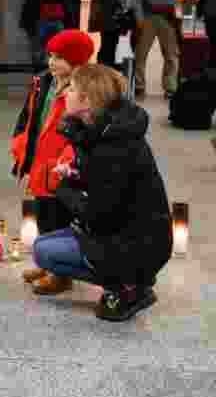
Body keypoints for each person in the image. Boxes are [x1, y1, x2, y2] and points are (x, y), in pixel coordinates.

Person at [31, 64, 172, 321]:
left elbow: (99, 214)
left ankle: (129, 285)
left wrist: (63, 188)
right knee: (43, 245)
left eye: (71, 88)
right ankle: (127, 278)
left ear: (87, 101)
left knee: (44, 251)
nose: (65, 92)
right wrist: (75, 174)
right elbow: (103, 187)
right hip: (125, 233)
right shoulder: (102, 132)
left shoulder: (114, 147)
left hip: (137, 244)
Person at [11, 29, 94, 295]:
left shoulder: (83, 92)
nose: (51, 62)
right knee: (43, 215)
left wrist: (71, 160)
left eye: (59, 57)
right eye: (51, 55)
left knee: (60, 219)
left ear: (77, 62)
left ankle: (61, 273)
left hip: (61, 167)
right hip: (39, 162)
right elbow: (29, 117)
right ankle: (47, 264)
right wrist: (20, 143)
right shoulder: (43, 82)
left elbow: (84, 132)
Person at [129, 0, 194, 99]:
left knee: (172, 54)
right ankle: (139, 86)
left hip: (167, 16)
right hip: (147, 16)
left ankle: (170, 87)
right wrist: (139, 17)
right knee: (140, 54)